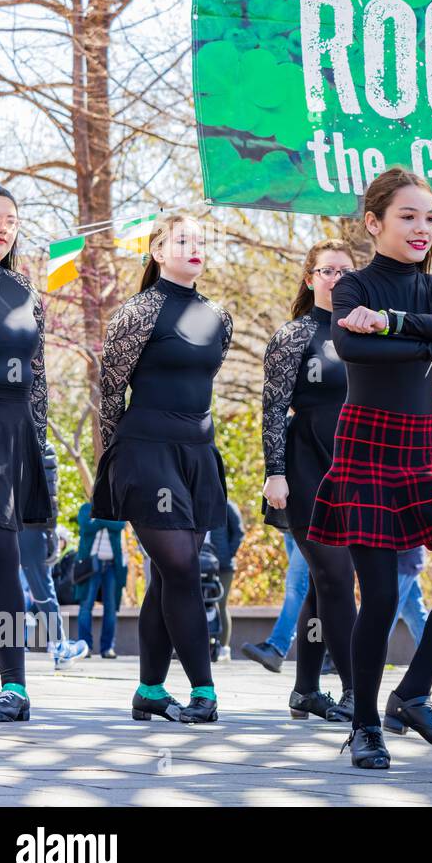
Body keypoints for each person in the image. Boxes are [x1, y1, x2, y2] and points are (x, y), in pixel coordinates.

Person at [308, 167, 432, 768]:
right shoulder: (353, 285)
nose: (423, 228)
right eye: (408, 217)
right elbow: (354, 347)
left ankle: (415, 694)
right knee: (383, 594)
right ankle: (366, 725)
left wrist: (398, 326)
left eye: (429, 217)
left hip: (422, 452)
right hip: (366, 448)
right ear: (374, 222)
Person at [93, 213, 232, 724]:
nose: (194, 247)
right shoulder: (139, 311)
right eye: (181, 239)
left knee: (169, 577)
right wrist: (112, 457)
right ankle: (204, 690)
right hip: (144, 449)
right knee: (180, 567)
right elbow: (111, 390)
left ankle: (150, 690)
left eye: (200, 240)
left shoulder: (218, 315)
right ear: (157, 250)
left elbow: (206, 379)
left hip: (197, 452)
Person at [261, 239, 359, 721]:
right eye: (327, 270)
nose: (337, 278)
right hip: (304, 467)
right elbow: (274, 408)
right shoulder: (294, 335)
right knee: (336, 579)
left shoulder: (366, 331)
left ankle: (304, 690)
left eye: (345, 270)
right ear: (310, 278)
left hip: (357, 465)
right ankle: (355, 690)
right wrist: (274, 472)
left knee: (326, 584)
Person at [0, 183, 52, 723]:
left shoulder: (26, 292)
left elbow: (38, 378)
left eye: (12, 220)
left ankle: (15, 685)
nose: (3, 227)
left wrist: (37, 443)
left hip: (8, 435)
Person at [21, 442, 89, 669]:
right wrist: (50, 532)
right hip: (31, 524)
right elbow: (48, 491)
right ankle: (60, 646)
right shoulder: (41, 445)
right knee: (42, 588)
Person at [242, 531, 308, 672]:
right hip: (290, 523)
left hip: (307, 522)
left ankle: (277, 648)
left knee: (297, 588)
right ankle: (330, 655)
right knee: (305, 588)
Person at [75, 502, 127, 659]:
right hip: (91, 565)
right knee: (86, 606)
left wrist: (98, 520)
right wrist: (108, 521)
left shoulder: (117, 508)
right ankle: (85, 647)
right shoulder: (86, 508)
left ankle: (107, 648)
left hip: (112, 566)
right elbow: (86, 526)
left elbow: (120, 525)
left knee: (111, 609)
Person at [207, 498, 244, 663]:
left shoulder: (227, 504)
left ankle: (224, 647)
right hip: (200, 562)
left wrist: (228, 553)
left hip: (223, 565)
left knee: (220, 604)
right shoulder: (196, 501)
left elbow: (239, 532)